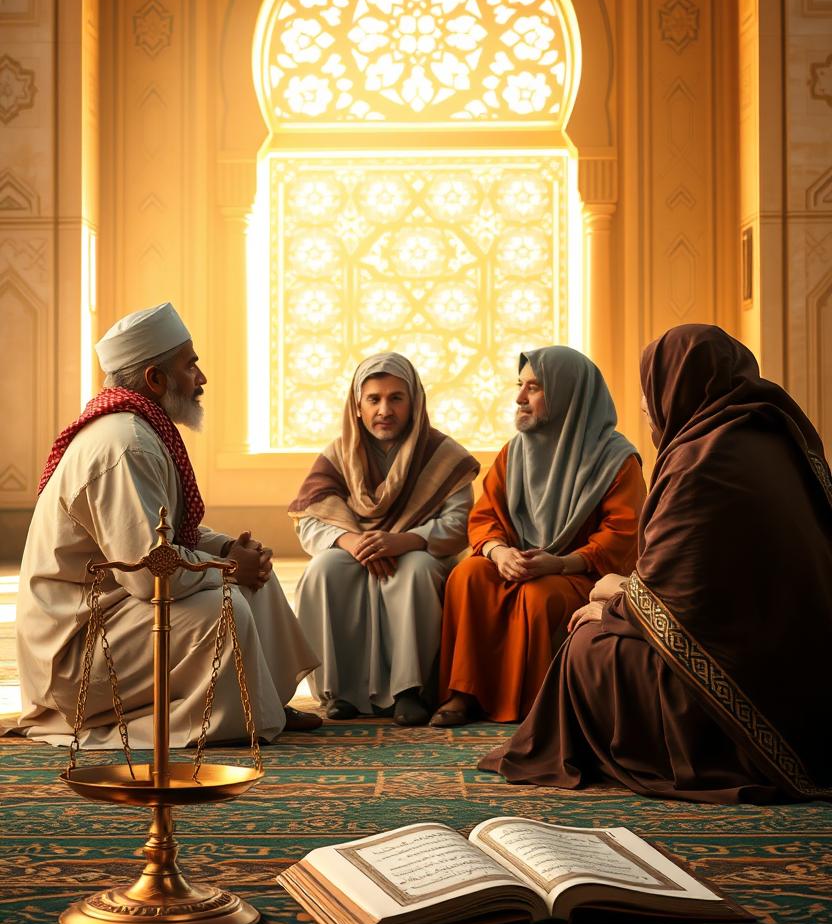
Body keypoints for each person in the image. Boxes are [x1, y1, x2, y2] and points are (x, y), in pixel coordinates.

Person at [480, 324, 832, 803]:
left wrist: (607, 596)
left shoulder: (701, 460)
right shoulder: (776, 436)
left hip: (740, 677)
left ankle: (670, 753)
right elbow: (702, 577)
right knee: (473, 579)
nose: (645, 403)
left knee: (588, 644)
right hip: (796, 658)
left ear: (681, 385)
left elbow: (676, 594)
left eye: (651, 386)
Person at [13, 302, 321, 749]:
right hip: (74, 650)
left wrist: (232, 549)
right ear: (156, 379)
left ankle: (261, 701)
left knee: (256, 577)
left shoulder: (140, 429)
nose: (202, 378)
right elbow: (148, 573)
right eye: (190, 365)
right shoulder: (125, 445)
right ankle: (235, 717)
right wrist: (225, 564)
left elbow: (167, 530)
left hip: (112, 613)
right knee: (222, 608)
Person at [431, 345, 645, 727]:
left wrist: (559, 563)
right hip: (519, 562)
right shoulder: (514, 454)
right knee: (468, 576)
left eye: (533, 387)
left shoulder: (616, 460)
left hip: (581, 573)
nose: (519, 398)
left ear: (568, 393)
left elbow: (621, 536)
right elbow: (485, 516)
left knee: (539, 594)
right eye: (520, 385)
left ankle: (535, 706)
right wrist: (499, 553)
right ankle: (463, 694)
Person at [289, 353, 479, 726]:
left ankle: (411, 691)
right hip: (355, 550)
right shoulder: (338, 454)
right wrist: (350, 541)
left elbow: (459, 524)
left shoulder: (443, 455)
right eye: (373, 399)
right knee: (325, 568)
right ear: (357, 406)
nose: (384, 410)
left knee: (417, 571)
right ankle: (339, 692)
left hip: (416, 550)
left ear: (414, 403)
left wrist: (405, 541)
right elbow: (310, 520)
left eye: (396, 398)